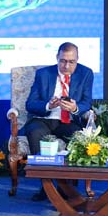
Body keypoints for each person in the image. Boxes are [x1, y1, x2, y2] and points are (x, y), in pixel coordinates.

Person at [20, 42, 94, 201]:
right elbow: (30, 104)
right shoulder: (43, 74)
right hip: (43, 119)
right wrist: (48, 105)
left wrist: (75, 108)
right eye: (63, 61)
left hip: (68, 121)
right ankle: (46, 186)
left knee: (77, 136)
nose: (66, 66)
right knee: (34, 132)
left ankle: (66, 186)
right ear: (57, 58)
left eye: (71, 62)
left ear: (77, 59)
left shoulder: (86, 73)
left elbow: (87, 102)